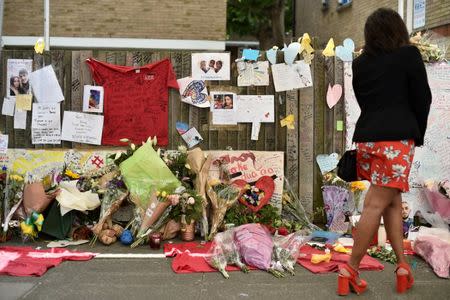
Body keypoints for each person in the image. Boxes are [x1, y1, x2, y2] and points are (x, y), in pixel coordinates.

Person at [337, 8, 431, 296]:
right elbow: (422, 99)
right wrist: (418, 133)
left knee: (391, 201)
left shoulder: (362, 63)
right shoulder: (409, 56)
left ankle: (402, 265)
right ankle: (349, 269)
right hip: (396, 141)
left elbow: (364, 99)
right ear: (398, 29)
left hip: (367, 140)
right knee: (374, 205)